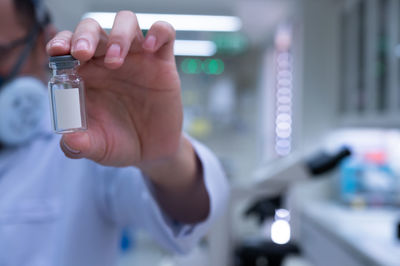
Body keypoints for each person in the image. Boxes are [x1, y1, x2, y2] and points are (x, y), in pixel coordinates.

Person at [0, 0, 229, 265]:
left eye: (0, 52)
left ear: (43, 44)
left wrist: (165, 159)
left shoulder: (87, 133)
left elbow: (188, 214)